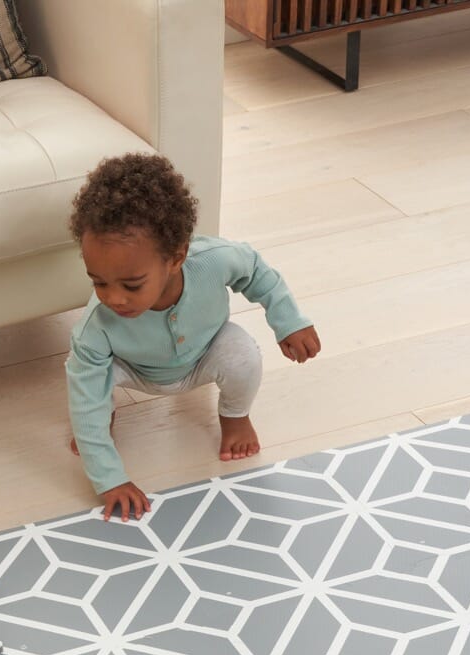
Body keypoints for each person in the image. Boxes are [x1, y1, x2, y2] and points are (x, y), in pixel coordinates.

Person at [66, 153, 322, 521]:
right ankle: (104, 421)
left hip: (204, 352)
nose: (114, 298)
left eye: (131, 285)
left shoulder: (214, 260)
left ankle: (235, 416)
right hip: (132, 368)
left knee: (243, 355)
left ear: (176, 257)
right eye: (98, 282)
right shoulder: (96, 326)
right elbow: (84, 397)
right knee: (87, 392)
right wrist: (109, 479)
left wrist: (289, 321)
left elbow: (256, 271)